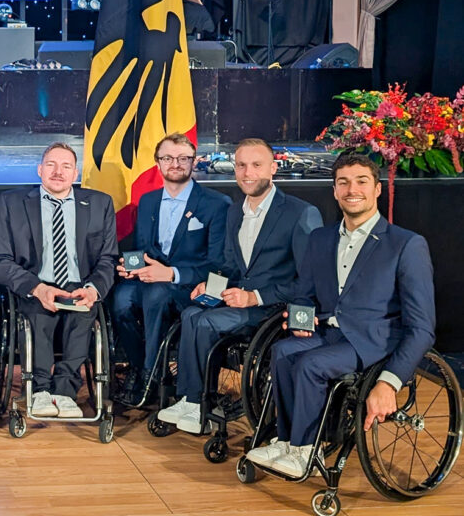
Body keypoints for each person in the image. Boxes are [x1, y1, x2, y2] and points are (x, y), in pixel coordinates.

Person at [246, 154, 434, 478]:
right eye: (343, 182)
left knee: (310, 364)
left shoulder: (406, 245)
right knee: (281, 351)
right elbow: (303, 293)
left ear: (377, 189)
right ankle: (287, 440)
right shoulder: (321, 239)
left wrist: (390, 382)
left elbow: (422, 327)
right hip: (329, 332)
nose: (352, 189)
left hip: (373, 340)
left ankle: (306, 451)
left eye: (361, 181)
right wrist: (300, 319)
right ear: (334, 191)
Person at [157, 138, 322, 434]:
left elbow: (308, 281)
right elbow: (232, 268)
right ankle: (190, 399)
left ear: (273, 168)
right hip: (239, 301)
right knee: (191, 314)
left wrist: (253, 297)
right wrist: (210, 284)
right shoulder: (234, 211)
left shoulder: (300, 213)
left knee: (206, 321)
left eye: (256, 165)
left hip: (273, 309)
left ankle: (199, 402)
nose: (248, 173)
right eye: (242, 165)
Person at [0, 142, 118, 417]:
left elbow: (107, 259)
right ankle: (40, 390)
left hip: (79, 286)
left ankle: (65, 392)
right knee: (38, 313)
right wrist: (36, 288)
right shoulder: (12, 203)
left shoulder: (99, 204)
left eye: (66, 166)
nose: (58, 172)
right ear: (39, 170)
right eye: (51, 165)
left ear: (76, 173)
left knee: (83, 313)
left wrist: (93, 290)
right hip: (35, 283)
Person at [110, 133, 230, 400]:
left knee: (157, 294)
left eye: (182, 158)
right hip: (150, 279)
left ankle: (151, 378)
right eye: (168, 158)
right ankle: (140, 367)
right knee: (119, 299)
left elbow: (219, 263)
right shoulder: (148, 201)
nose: (175, 164)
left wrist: (171, 274)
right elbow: (142, 248)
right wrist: (132, 266)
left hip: (189, 286)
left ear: (194, 161)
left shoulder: (217, 204)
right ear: (158, 163)